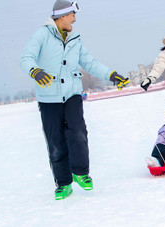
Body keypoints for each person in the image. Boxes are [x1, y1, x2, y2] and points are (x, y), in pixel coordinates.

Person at [20, 0, 128, 200]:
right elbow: (26, 57)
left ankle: (80, 173)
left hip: (71, 94)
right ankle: (63, 184)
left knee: (77, 132)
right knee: (55, 140)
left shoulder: (75, 38)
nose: (75, 19)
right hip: (49, 98)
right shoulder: (42, 34)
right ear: (62, 16)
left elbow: (89, 62)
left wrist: (112, 75)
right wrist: (35, 72)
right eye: (72, 15)